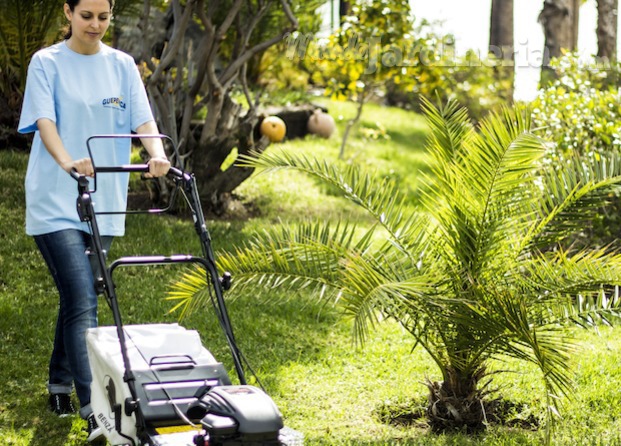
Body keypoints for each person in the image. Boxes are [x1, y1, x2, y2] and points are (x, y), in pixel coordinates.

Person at [17, 0, 170, 442]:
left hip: (102, 201)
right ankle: (94, 408)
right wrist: (68, 163)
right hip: (55, 195)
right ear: (68, 12)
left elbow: (142, 119)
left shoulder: (122, 65)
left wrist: (156, 154)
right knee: (84, 298)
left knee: (76, 295)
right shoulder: (46, 62)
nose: (95, 25)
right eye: (87, 16)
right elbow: (45, 122)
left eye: (104, 17)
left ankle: (57, 384)